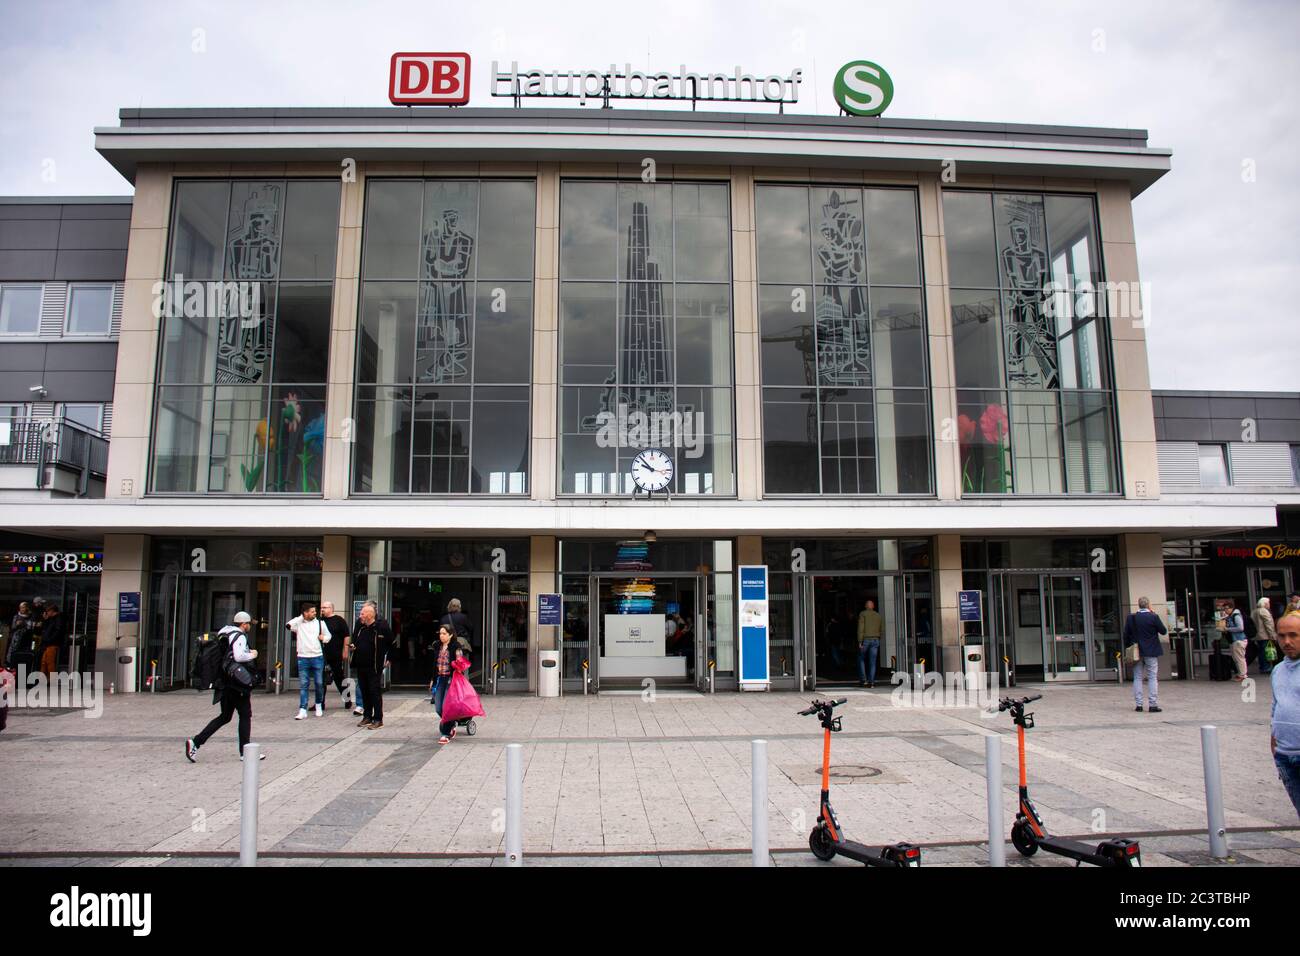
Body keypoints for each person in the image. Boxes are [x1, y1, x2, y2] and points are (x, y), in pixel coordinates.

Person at [186, 611, 264, 762]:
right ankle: (245, 752)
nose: (249, 627)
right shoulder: (239, 635)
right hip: (237, 684)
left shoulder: (224, 632)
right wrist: (253, 654)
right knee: (245, 715)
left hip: (224, 682)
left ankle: (195, 742)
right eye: (249, 624)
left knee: (225, 716)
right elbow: (239, 656)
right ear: (243, 624)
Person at [1271, 612, 1300, 818]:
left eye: (1293, 635)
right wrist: (1273, 739)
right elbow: (1276, 705)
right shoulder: (1279, 670)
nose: (1287, 641)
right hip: (1284, 754)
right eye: (1282, 636)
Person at [1123, 596, 1167, 713]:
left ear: (1138, 605)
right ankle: (1153, 704)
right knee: (1152, 677)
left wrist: (1129, 647)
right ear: (1148, 605)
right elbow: (1163, 631)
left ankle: (1139, 704)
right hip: (1151, 651)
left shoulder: (1131, 618)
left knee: (1137, 677)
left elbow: (1126, 635)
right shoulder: (1153, 617)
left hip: (1136, 651)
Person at [353, 602, 393, 729]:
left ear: (370, 615)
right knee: (364, 691)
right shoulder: (361, 627)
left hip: (374, 665)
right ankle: (367, 716)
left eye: (362, 614)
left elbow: (392, 643)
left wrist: (389, 658)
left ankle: (378, 719)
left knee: (374, 691)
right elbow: (355, 639)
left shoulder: (381, 627)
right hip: (361, 664)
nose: (360, 616)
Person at [286, 601, 329, 719]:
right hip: (303, 657)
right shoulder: (298, 623)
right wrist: (301, 617)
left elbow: (328, 636)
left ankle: (319, 705)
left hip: (317, 656)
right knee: (304, 684)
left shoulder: (320, 623)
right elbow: (288, 625)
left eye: (315, 611)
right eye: (312, 611)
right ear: (305, 613)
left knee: (319, 683)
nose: (315, 613)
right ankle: (302, 709)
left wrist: (323, 638)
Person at [430, 624, 465, 744]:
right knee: (439, 708)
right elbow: (434, 665)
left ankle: (445, 733)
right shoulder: (437, 646)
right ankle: (451, 723)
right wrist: (432, 680)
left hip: (451, 680)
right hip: (440, 679)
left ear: (450, 635)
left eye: (444, 633)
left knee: (446, 707)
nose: (441, 636)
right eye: (440, 633)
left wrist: (458, 667)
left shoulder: (456, 646)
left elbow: (461, 664)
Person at [319, 601, 354, 712]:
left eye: (325, 607)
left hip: (335, 653)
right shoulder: (320, 621)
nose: (322, 609)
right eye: (321, 607)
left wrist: (345, 650)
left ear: (331, 608)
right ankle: (320, 703)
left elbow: (346, 636)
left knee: (339, 678)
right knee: (321, 679)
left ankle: (347, 699)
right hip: (321, 654)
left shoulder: (339, 620)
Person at [857, 598, 883, 688]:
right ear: (873, 606)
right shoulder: (878, 615)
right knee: (873, 662)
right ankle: (871, 682)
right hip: (876, 640)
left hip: (866, 640)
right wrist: (879, 638)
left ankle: (863, 680)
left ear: (865, 606)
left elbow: (861, 628)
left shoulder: (863, 614)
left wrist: (860, 641)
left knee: (861, 658)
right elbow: (881, 629)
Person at [37, 603, 65, 677]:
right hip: (48, 643)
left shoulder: (58, 619)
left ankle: (51, 679)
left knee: (50, 662)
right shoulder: (52, 619)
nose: (47, 613)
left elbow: (57, 631)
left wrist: (49, 639)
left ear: (52, 611)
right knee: (44, 662)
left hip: (52, 643)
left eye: (48, 611)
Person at [1223, 599, 1248, 681]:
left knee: (1239, 658)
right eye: (1224, 609)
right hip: (1235, 640)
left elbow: (1240, 628)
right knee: (1236, 658)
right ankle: (1241, 673)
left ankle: (1243, 675)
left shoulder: (1236, 616)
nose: (1225, 610)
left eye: (1226, 608)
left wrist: (1228, 629)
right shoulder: (1230, 617)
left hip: (1239, 640)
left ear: (1231, 608)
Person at [5, 602, 35, 670]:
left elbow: (32, 626)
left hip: (27, 638)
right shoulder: (16, 616)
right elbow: (13, 627)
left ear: (27, 608)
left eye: (23, 607)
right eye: (21, 608)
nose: (22, 609)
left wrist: (29, 625)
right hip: (17, 638)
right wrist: (17, 625)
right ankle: (11, 666)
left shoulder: (31, 616)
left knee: (24, 654)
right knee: (14, 652)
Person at [1253, 597, 1279, 676]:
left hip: (1258, 635)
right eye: (1268, 603)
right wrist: (1273, 635)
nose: (1269, 605)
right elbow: (1269, 625)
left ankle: (1262, 667)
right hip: (1265, 635)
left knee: (1261, 652)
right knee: (1266, 652)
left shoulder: (1254, 611)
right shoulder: (1264, 611)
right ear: (1264, 604)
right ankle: (1266, 668)